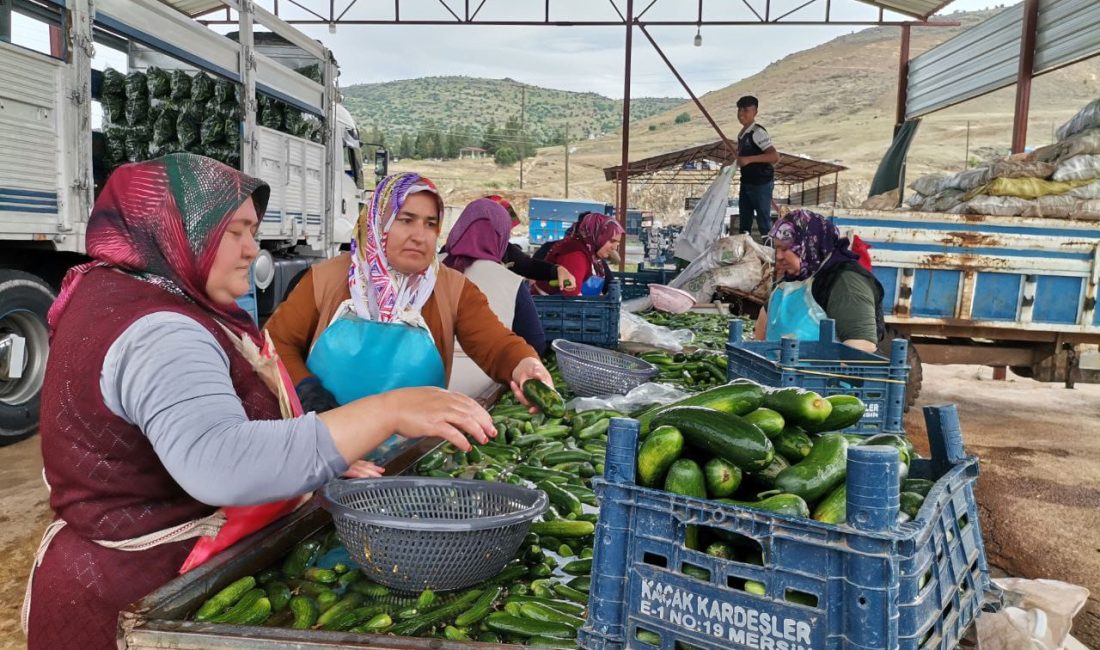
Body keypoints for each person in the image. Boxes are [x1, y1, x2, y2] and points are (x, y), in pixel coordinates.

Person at [24, 155, 495, 649]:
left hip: (116, 576)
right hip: (139, 597)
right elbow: (220, 461)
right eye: (235, 232)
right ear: (178, 231)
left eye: (254, 231)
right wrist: (389, 410)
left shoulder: (117, 291)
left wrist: (316, 456)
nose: (253, 250)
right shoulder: (161, 332)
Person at [264, 172, 553, 419]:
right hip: (327, 442)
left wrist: (523, 363)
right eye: (406, 220)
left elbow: (496, 345)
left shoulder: (452, 289)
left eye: (430, 224)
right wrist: (307, 392)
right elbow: (277, 343)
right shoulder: (326, 279)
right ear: (378, 222)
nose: (420, 235)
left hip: (409, 453)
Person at [443, 198, 547, 397]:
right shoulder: (511, 281)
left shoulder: (428, 270)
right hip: (484, 389)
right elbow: (535, 342)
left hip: (422, 388)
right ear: (501, 237)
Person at [754, 209, 885, 352]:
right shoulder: (794, 278)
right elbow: (766, 320)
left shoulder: (844, 282)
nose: (778, 256)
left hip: (821, 373)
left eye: (785, 249)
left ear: (808, 245)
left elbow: (862, 346)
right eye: (777, 248)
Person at [483, 194, 577, 291]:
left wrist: (558, 270)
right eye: (505, 229)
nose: (509, 234)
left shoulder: (503, 249)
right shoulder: (469, 255)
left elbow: (528, 265)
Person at [534, 212, 624, 297]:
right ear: (597, 235)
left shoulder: (591, 254)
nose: (615, 248)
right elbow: (571, 296)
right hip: (551, 310)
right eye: (612, 241)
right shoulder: (575, 254)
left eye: (617, 243)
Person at [735, 95, 780, 237]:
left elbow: (774, 156)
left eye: (746, 110)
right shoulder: (742, 134)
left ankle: (772, 254)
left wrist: (749, 160)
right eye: (739, 110)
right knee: (744, 222)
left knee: (763, 221)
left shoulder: (757, 132)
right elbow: (740, 156)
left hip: (761, 184)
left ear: (755, 112)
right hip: (747, 182)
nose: (741, 114)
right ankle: (745, 253)